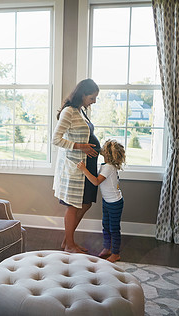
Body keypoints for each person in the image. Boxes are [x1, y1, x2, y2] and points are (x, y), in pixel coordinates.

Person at [52, 78, 101, 254]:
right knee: (74, 205)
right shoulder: (69, 112)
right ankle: (70, 245)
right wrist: (82, 147)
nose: (94, 101)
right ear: (83, 94)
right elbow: (55, 139)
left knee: (86, 204)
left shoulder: (81, 111)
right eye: (92, 97)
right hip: (75, 166)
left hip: (87, 166)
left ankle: (67, 240)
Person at [77, 139, 126, 263]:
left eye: (104, 149)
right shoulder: (106, 166)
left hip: (114, 203)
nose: (101, 150)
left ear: (108, 154)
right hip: (108, 201)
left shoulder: (109, 167)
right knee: (106, 225)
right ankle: (107, 248)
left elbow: (96, 181)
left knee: (114, 228)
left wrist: (84, 169)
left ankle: (116, 254)